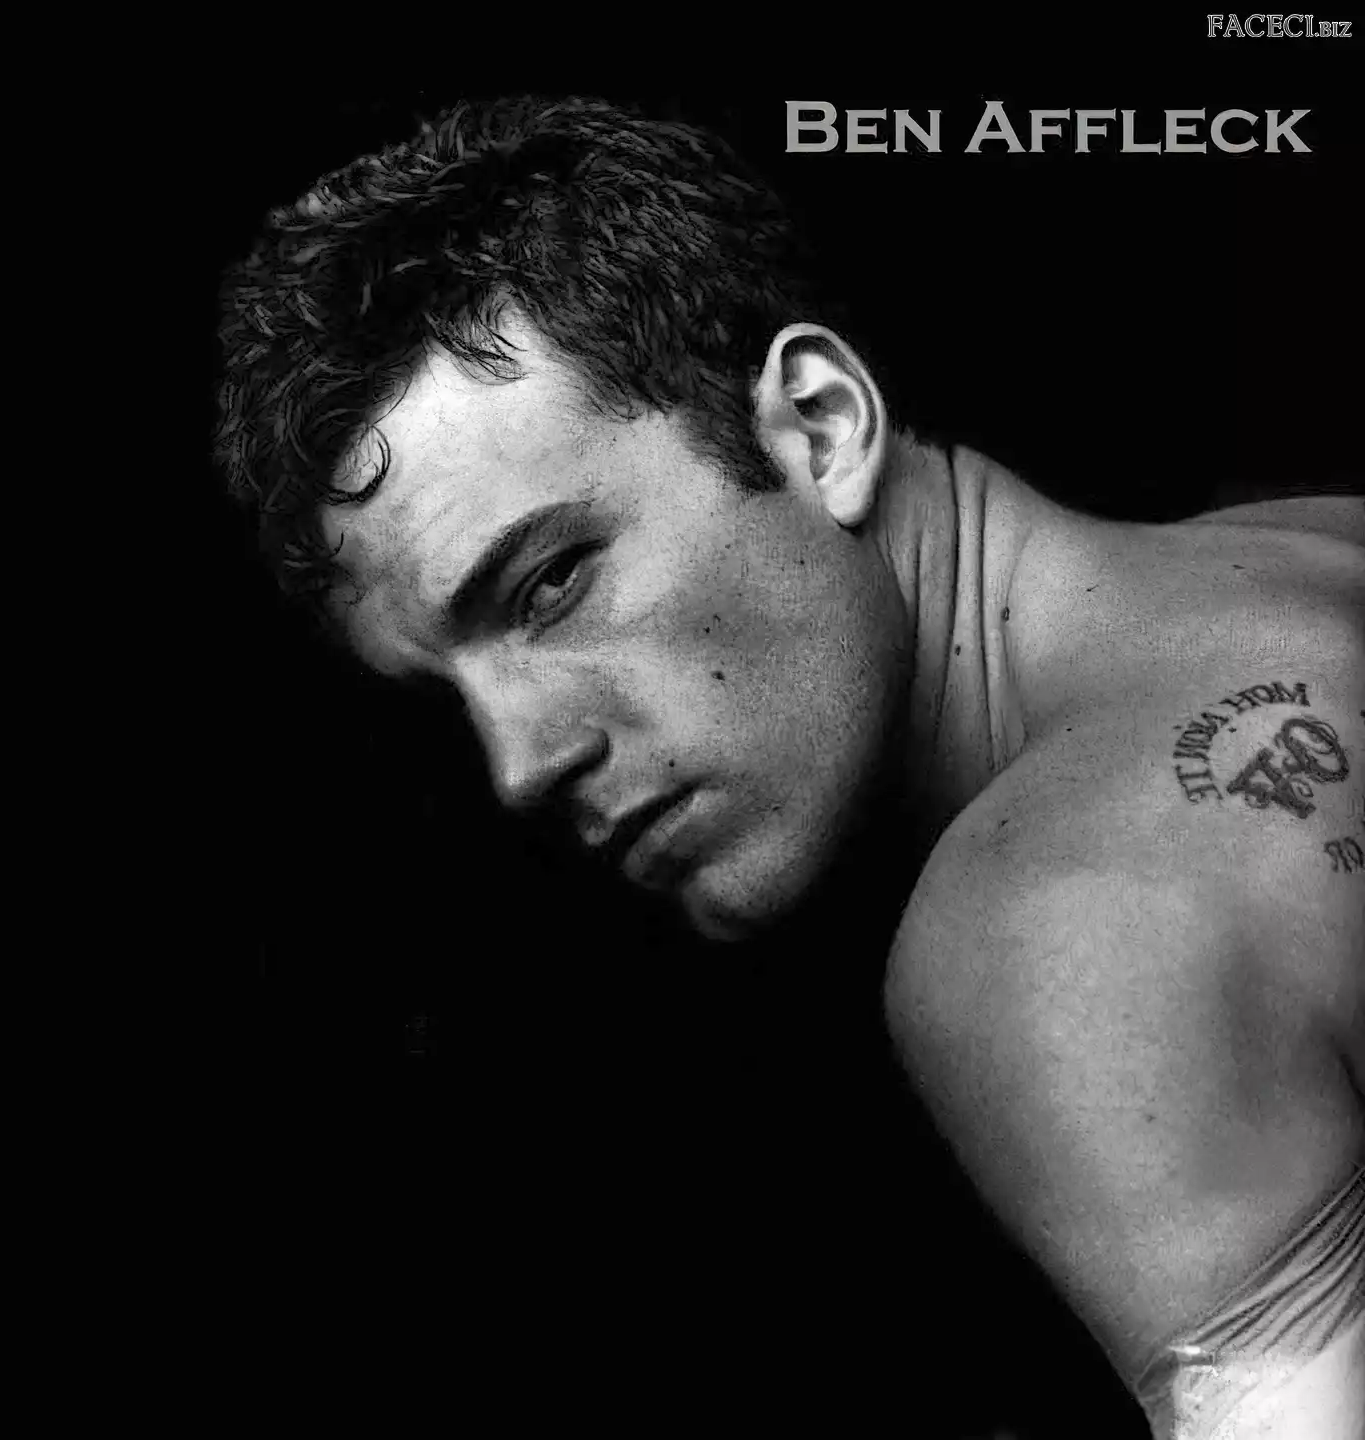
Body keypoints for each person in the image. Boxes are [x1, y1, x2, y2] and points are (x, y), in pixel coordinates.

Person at [210, 95, 1362, 1437]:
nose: (518, 765)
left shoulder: (1056, 925)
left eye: (551, 583)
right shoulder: (1322, 551)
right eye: (442, 695)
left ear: (820, 425)